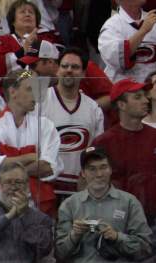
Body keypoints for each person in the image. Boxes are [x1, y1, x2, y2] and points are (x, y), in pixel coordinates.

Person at [55, 148, 152, 263]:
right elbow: (60, 254)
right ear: (83, 173)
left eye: (103, 167)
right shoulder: (69, 206)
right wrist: (74, 235)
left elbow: (145, 248)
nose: (99, 174)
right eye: (92, 169)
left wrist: (116, 236)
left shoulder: (129, 203)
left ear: (110, 170)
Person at [0, 69, 60, 217]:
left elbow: (48, 167)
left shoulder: (46, 126)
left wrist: (7, 174)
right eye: (29, 88)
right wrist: (30, 157)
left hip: (38, 207)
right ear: (13, 92)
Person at [41, 51, 105, 204]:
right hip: (45, 187)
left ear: (83, 73)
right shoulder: (39, 100)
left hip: (79, 191)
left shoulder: (93, 108)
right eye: (65, 66)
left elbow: (95, 151)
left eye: (75, 67)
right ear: (57, 70)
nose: (69, 70)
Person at [93, 80, 156, 223]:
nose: (145, 100)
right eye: (137, 97)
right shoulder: (103, 142)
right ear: (121, 105)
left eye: (144, 96)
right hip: (117, 223)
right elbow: (93, 184)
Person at [97, 0, 156, 83]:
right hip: (125, 92)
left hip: (154, 90)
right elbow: (116, 58)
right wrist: (143, 31)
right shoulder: (111, 26)